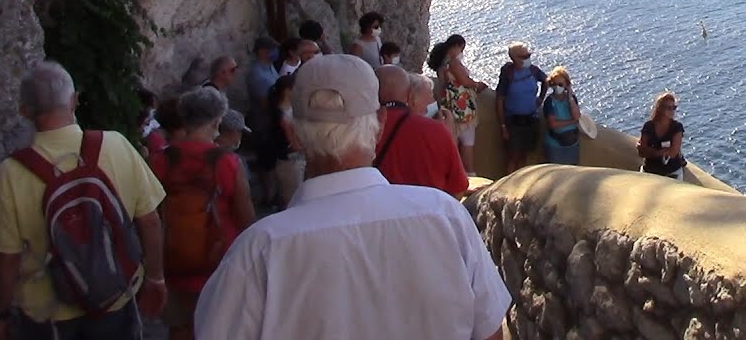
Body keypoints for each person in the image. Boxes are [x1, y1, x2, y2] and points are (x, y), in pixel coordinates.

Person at [193, 54, 511, 340]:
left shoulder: (258, 251)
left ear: (296, 134)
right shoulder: (445, 216)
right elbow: (489, 331)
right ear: (380, 122)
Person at [0, 62, 167, 340]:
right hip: (114, 297)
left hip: (48, 314)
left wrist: (0, 315)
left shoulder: (9, 175)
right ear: (75, 99)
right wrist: (155, 277)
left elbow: (7, 259)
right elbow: (149, 220)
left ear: (24, 112)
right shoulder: (115, 145)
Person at [152, 87, 255, 340]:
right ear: (218, 120)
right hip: (218, 264)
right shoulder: (227, 162)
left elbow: (151, 216)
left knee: (179, 329)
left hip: (173, 262)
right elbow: (246, 220)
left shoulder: (159, 161)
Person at [372, 66, 468, 196]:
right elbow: (458, 187)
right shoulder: (436, 131)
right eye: (430, 96)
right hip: (428, 212)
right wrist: (450, 136)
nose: (433, 102)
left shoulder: (361, 128)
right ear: (410, 97)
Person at [427, 34, 487, 174]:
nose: (462, 53)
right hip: (462, 108)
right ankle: (470, 176)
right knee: (467, 144)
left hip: (447, 106)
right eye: (462, 49)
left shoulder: (441, 64)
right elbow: (465, 81)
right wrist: (478, 85)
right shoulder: (453, 63)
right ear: (457, 46)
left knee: (452, 146)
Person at [496, 42, 547, 174]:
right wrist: (503, 126)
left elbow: (546, 81)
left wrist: (541, 98)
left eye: (528, 55)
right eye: (523, 56)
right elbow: (500, 100)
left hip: (531, 119)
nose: (527, 59)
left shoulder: (533, 71)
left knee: (525, 155)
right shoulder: (508, 75)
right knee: (513, 156)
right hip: (514, 122)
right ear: (514, 58)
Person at [245, 36, 280, 207]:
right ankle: (268, 196)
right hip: (262, 122)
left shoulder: (269, 67)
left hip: (271, 121)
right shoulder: (256, 73)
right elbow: (264, 102)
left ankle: (272, 194)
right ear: (261, 51)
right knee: (265, 162)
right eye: (270, 49)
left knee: (271, 160)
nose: (274, 52)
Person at [268, 75, 303, 207]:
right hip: (289, 161)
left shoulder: (289, 108)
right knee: (291, 198)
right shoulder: (281, 115)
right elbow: (293, 143)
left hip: (296, 159)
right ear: (287, 91)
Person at [638, 92, 686, 180]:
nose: (672, 111)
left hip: (672, 173)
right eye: (669, 108)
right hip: (649, 172)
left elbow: (673, 152)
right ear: (660, 109)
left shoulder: (676, 127)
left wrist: (651, 152)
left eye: (674, 108)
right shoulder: (648, 126)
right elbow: (641, 152)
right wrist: (661, 152)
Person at [541, 66, 581, 165]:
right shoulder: (550, 102)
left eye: (560, 84)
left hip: (572, 145)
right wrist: (571, 122)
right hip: (556, 146)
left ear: (566, 84)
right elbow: (553, 124)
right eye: (553, 84)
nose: (557, 87)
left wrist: (570, 97)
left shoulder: (571, 99)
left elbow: (576, 116)